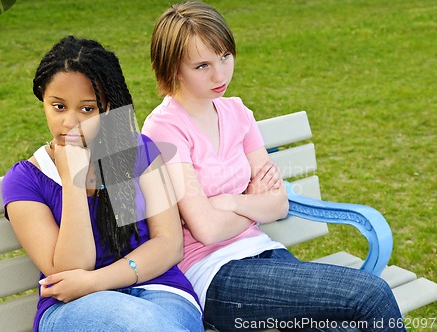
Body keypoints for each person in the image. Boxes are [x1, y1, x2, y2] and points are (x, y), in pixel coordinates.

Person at [142, 2, 406, 331]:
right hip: (214, 274)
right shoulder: (165, 129)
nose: (220, 74)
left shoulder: (237, 113)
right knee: (370, 296)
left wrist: (232, 201)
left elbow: (279, 204)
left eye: (225, 57)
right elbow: (206, 230)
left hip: (266, 252)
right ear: (173, 70)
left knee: (348, 325)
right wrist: (256, 201)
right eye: (202, 66)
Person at [1, 35, 204, 332]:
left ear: (108, 107)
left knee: (151, 323)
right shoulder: (24, 181)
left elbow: (169, 245)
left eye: (87, 109)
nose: (69, 122)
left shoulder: (139, 151)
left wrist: (97, 280)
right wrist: (73, 180)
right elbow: (71, 269)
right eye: (58, 106)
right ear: (43, 100)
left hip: (160, 292)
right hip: (74, 308)